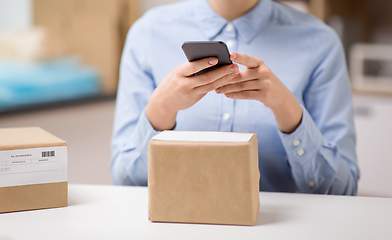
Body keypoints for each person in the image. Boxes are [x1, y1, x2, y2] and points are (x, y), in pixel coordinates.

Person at [111, 0, 359, 195]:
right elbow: (125, 180)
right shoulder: (147, 34)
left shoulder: (320, 42)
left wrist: (287, 108)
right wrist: (162, 108)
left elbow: (342, 190)